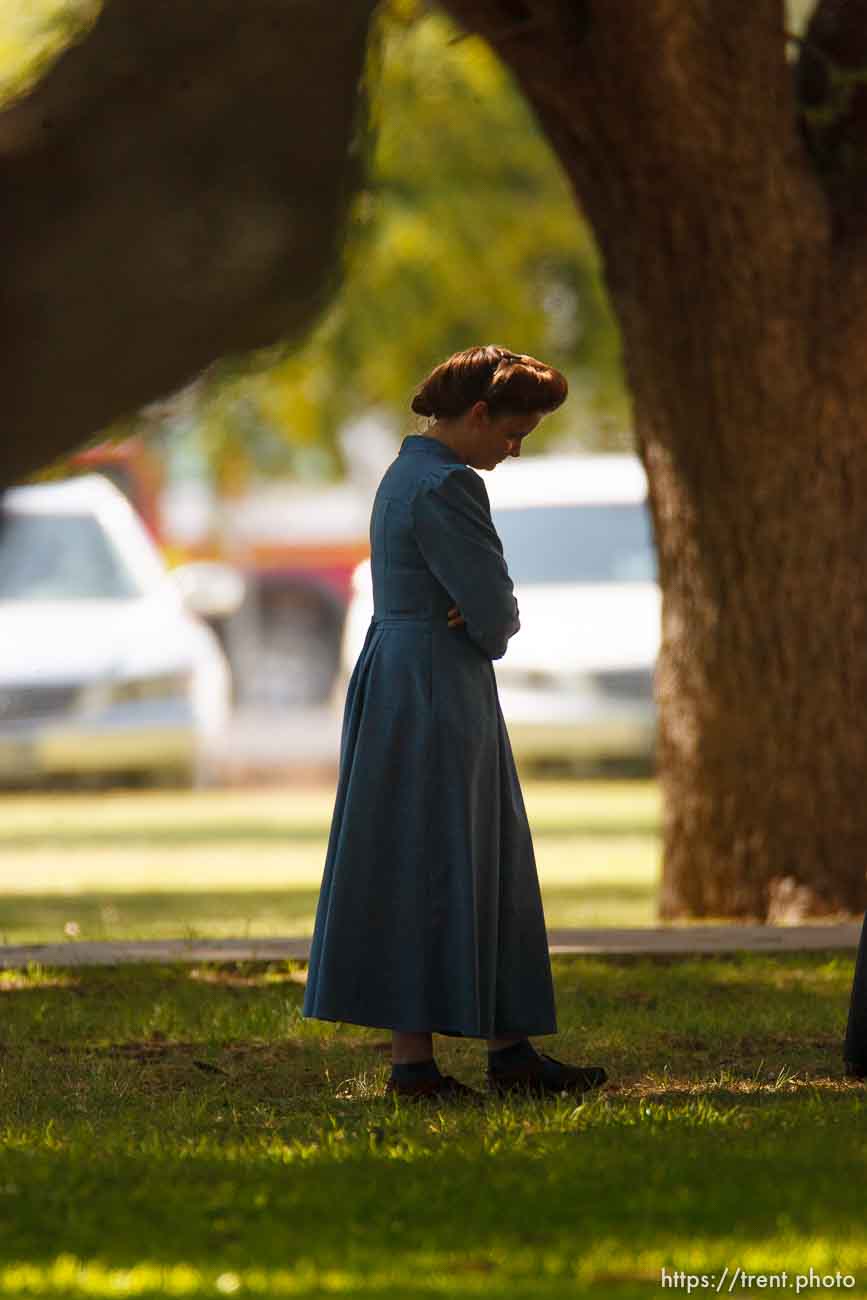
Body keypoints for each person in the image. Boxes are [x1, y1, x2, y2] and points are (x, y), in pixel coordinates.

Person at [302, 345, 607, 1102]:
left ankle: (499, 1049)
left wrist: (471, 610)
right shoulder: (449, 485)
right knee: (446, 855)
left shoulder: (403, 474)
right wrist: (481, 615)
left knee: (434, 852)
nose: (512, 450)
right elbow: (497, 618)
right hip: (438, 683)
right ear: (477, 415)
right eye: (512, 433)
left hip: (404, 675)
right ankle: (421, 1067)